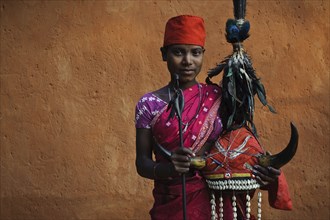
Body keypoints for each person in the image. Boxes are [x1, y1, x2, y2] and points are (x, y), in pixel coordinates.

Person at [135, 15, 289, 220]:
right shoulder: (149, 104)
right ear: (164, 54)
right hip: (171, 206)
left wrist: (262, 172)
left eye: (195, 53)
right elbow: (142, 163)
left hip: (217, 207)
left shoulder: (219, 98)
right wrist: (169, 169)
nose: (187, 61)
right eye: (178, 52)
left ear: (202, 55)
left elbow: (239, 150)